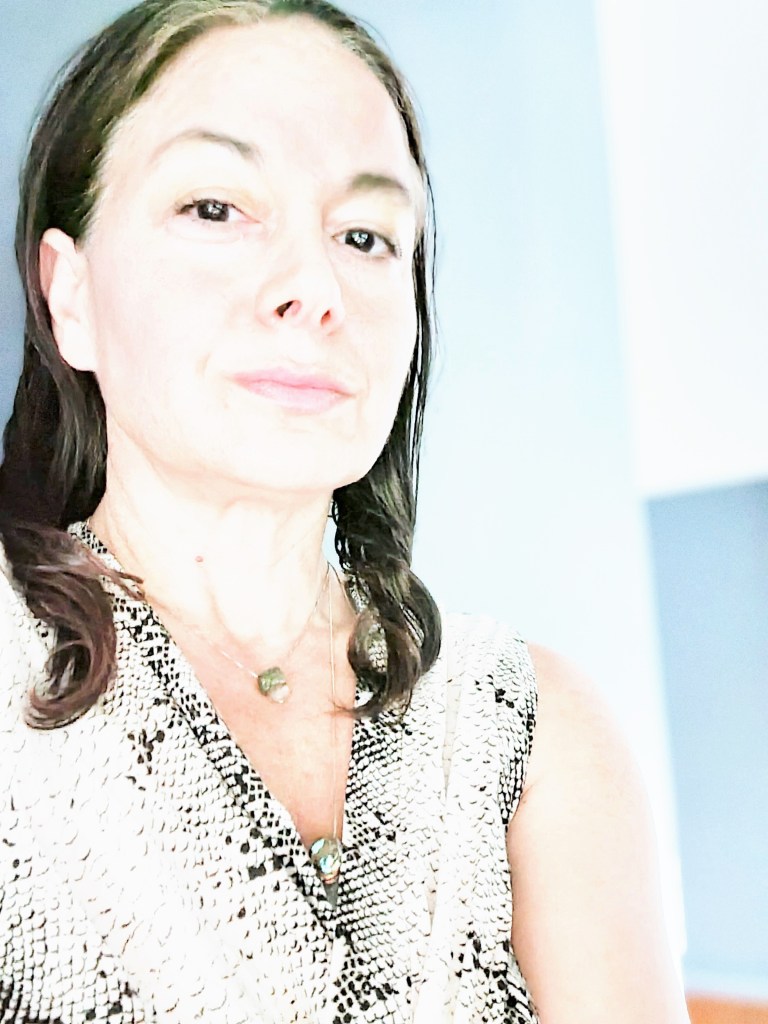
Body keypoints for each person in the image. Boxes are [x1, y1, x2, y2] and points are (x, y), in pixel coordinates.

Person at [0, 1, 690, 1021]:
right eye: (215, 208)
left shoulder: (536, 734)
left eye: (366, 235)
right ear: (71, 295)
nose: (314, 286)